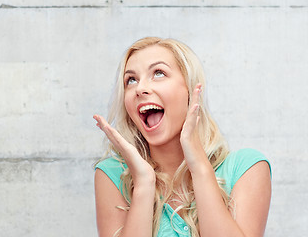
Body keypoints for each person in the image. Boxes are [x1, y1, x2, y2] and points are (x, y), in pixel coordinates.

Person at [93, 37, 271, 237]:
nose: (140, 88)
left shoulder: (246, 168)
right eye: (131, 80)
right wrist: (143, 183)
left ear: (190, 88)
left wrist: (198, 165)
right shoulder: (112, 174)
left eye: (158, 73)